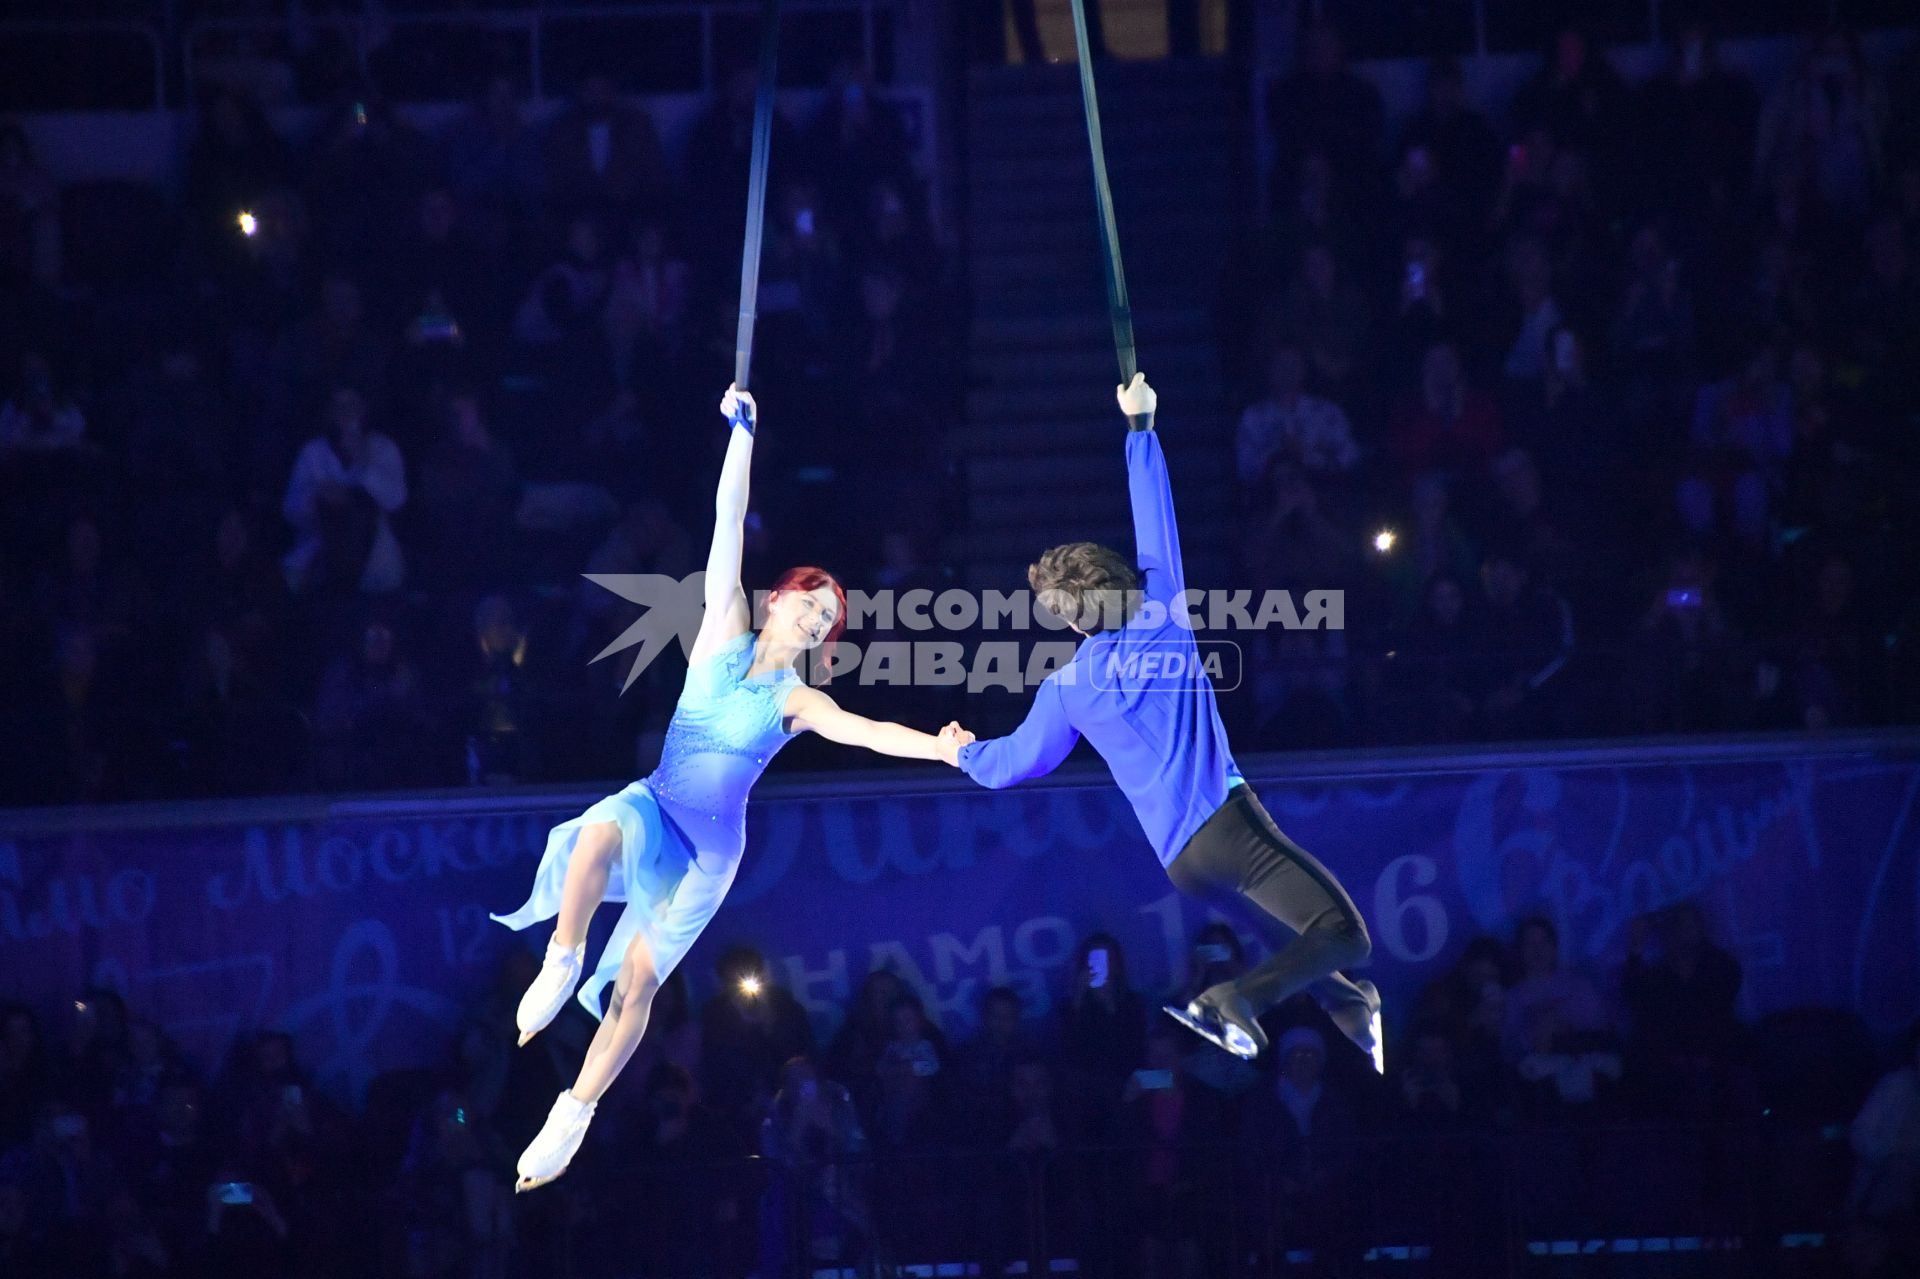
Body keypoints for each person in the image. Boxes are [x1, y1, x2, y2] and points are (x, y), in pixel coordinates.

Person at [492, 385, 972, 1190]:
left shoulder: (799, 698)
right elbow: (726, 523)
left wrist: (940, 747)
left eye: (829, 623)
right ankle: (563, 958)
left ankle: (573, 1113)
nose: (820, 623)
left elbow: (866, 730)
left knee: (640, 983)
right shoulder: (721, 626)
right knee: (596, 835)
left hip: (707, 855)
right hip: (657, 802)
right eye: (814, 605)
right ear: (781, 595)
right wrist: (741, 435)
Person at [945, 374, 1382, 1071]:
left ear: (1066, 614)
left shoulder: (1067, 687)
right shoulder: (1161, 610)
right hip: (1229, 826)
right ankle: (1230, 999)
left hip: (1183, 863)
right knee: (1344, 931)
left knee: (1297, 938)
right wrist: (1140, 427)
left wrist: (962, 751)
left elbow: (1014, 764)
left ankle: (1349, 1005)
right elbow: (1156, 514)